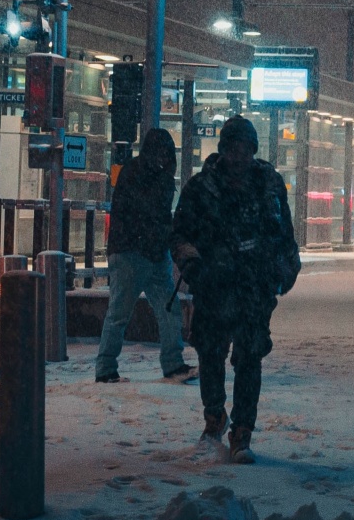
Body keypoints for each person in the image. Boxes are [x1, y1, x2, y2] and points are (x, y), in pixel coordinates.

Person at [171, 115, 301, 461]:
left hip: (253, 290)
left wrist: (285, 269)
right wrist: (192, 261)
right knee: (210, 357)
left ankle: (242, 432)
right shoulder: (200, 189)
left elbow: (284, 234)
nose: (239, 155)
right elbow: (180, 233)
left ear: (253, 150)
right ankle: (214, 417)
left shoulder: (269, 187)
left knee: (249, 359)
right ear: (224, 149)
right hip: (213, 287)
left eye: (245, 148)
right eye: (233, 147)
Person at [92, 127, 187, 383]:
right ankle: (172, 363)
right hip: (140, 253)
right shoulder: (156, 178)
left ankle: (107, 367)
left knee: (122, 313)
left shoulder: (133, 172)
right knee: (165, 309)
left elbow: (141, 214)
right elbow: (154, 215)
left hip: (135, 252)